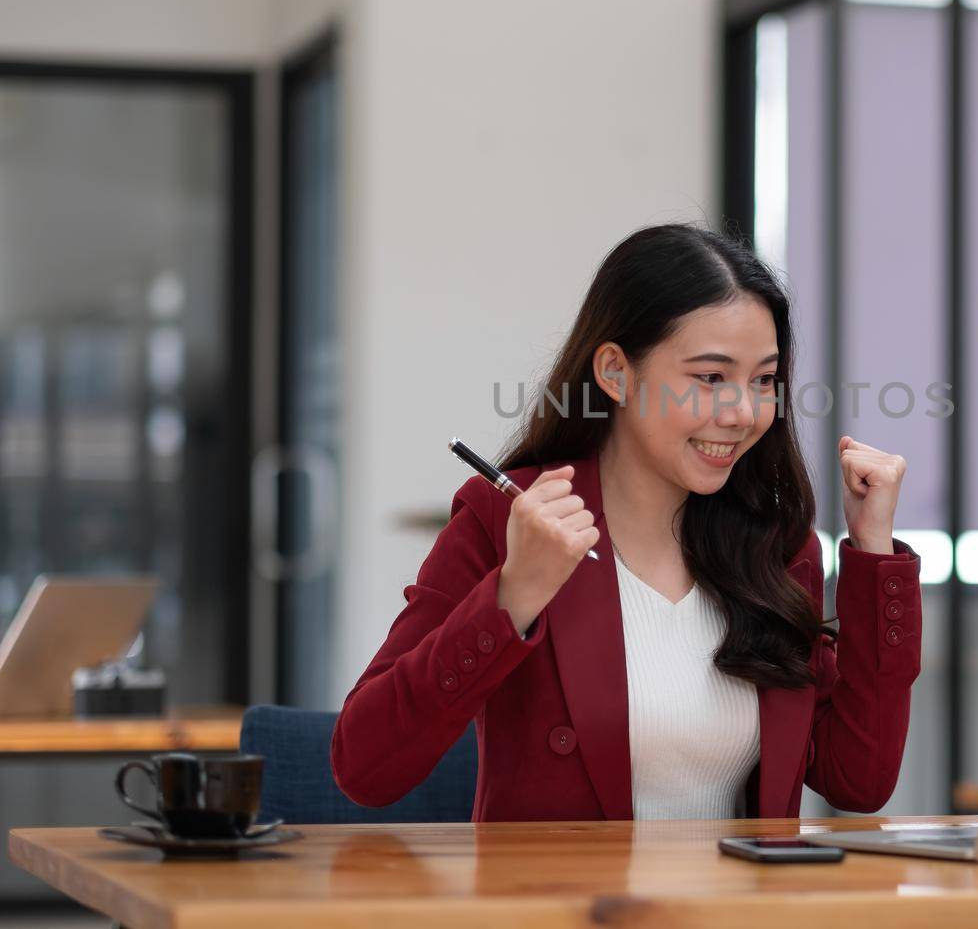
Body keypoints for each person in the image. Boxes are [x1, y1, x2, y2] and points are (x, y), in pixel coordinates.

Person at [331, 222, 922, 821]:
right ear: (615, 373)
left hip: (740, 912)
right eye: (711, 377)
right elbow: (365, 766)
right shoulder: (509, 521)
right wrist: (513, 596)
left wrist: (873, 553)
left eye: (763, 380)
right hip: (565, 910)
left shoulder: (774, 543)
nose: (743, 412)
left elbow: (859, 780)